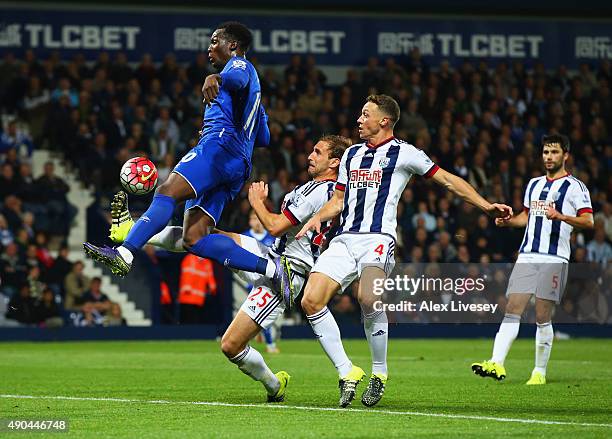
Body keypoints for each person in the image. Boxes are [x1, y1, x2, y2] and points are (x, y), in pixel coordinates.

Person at [296, 94, 512, 408]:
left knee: (368, 297)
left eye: (365, 113)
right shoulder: (352, 156)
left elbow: (448, 181)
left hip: (378, 238)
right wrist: (317, 217)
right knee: (310, 300)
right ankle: (347, 371)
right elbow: (339, 200)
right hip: (345, 239)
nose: (359, 119)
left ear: (384, 121)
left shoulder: (404, 153)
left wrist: (485, 205)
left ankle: (379, 374)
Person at [108, 135, 350, 402]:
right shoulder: (317, 188)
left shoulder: (322, 192)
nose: (310, 155)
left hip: (287, 271)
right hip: (269, 252)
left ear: (334, 162)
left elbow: (274, 226)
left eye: (317, 152)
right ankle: (131, 231)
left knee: (230, 345)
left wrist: (257, 202)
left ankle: (273, 384)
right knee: (200, 236)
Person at [83, 21, 292, 299]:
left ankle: (125, 252)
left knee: (166, 191)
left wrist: (216, 79)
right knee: (194, 238)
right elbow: (263, 137)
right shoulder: (256, 100)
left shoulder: (238, 66)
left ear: (232, 46)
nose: (209, 47)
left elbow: (238, 78)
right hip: (238, 164)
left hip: (218, 148)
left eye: (215, 41)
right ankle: (272, 269)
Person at [471, 134, 594, 385]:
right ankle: (496, 362)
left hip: (554, 257)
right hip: (527, 254)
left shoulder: (575, 187)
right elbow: (526, 217)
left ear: (565, 155)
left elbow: (588, 221)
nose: (549, 157)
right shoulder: (533, 184)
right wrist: (508, 222)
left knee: (541, 315)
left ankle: (539, 372)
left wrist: (560, 216)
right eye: (546, 152)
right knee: (512, 308)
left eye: (554, 152)